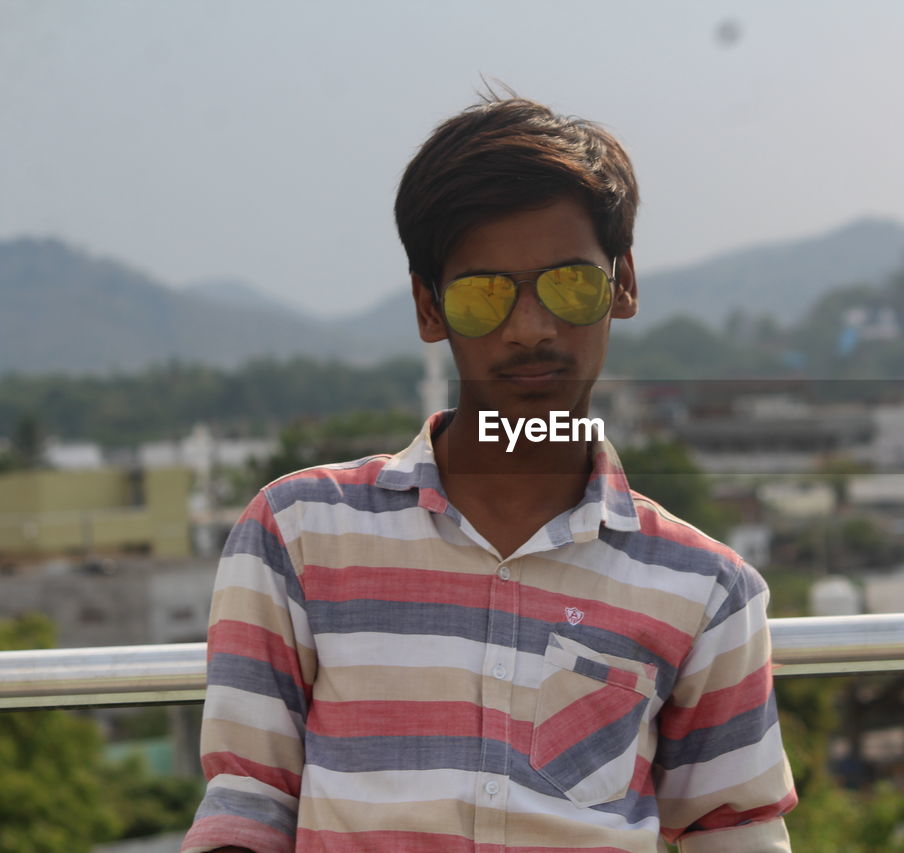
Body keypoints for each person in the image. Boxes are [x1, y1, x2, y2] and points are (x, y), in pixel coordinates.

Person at [182, 96, 796, 853]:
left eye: (570, 284)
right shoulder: (300, 532)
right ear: (429, 308)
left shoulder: (706, 589)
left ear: (623, 284)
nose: (531, 327)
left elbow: (733, 830)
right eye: (483, 295)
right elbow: (249, 799)